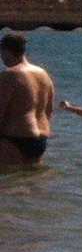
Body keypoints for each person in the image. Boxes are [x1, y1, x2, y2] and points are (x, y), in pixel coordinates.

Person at [1, 32, 57, 168]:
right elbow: (49, 109)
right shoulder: (43, 74)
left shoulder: (9, 74)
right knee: (30, 179)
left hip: (14, 138)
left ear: (6, 51)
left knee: (9, 179)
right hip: (40, 138)